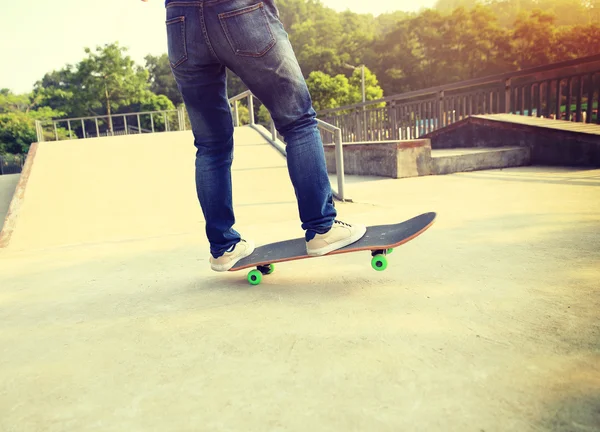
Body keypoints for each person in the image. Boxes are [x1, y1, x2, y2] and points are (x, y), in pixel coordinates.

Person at [143, 0, 366, 271]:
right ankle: (322, 228)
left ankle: (223, 247)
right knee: (298, 122)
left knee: (210, 145)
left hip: (180, 21)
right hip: (241, 12)